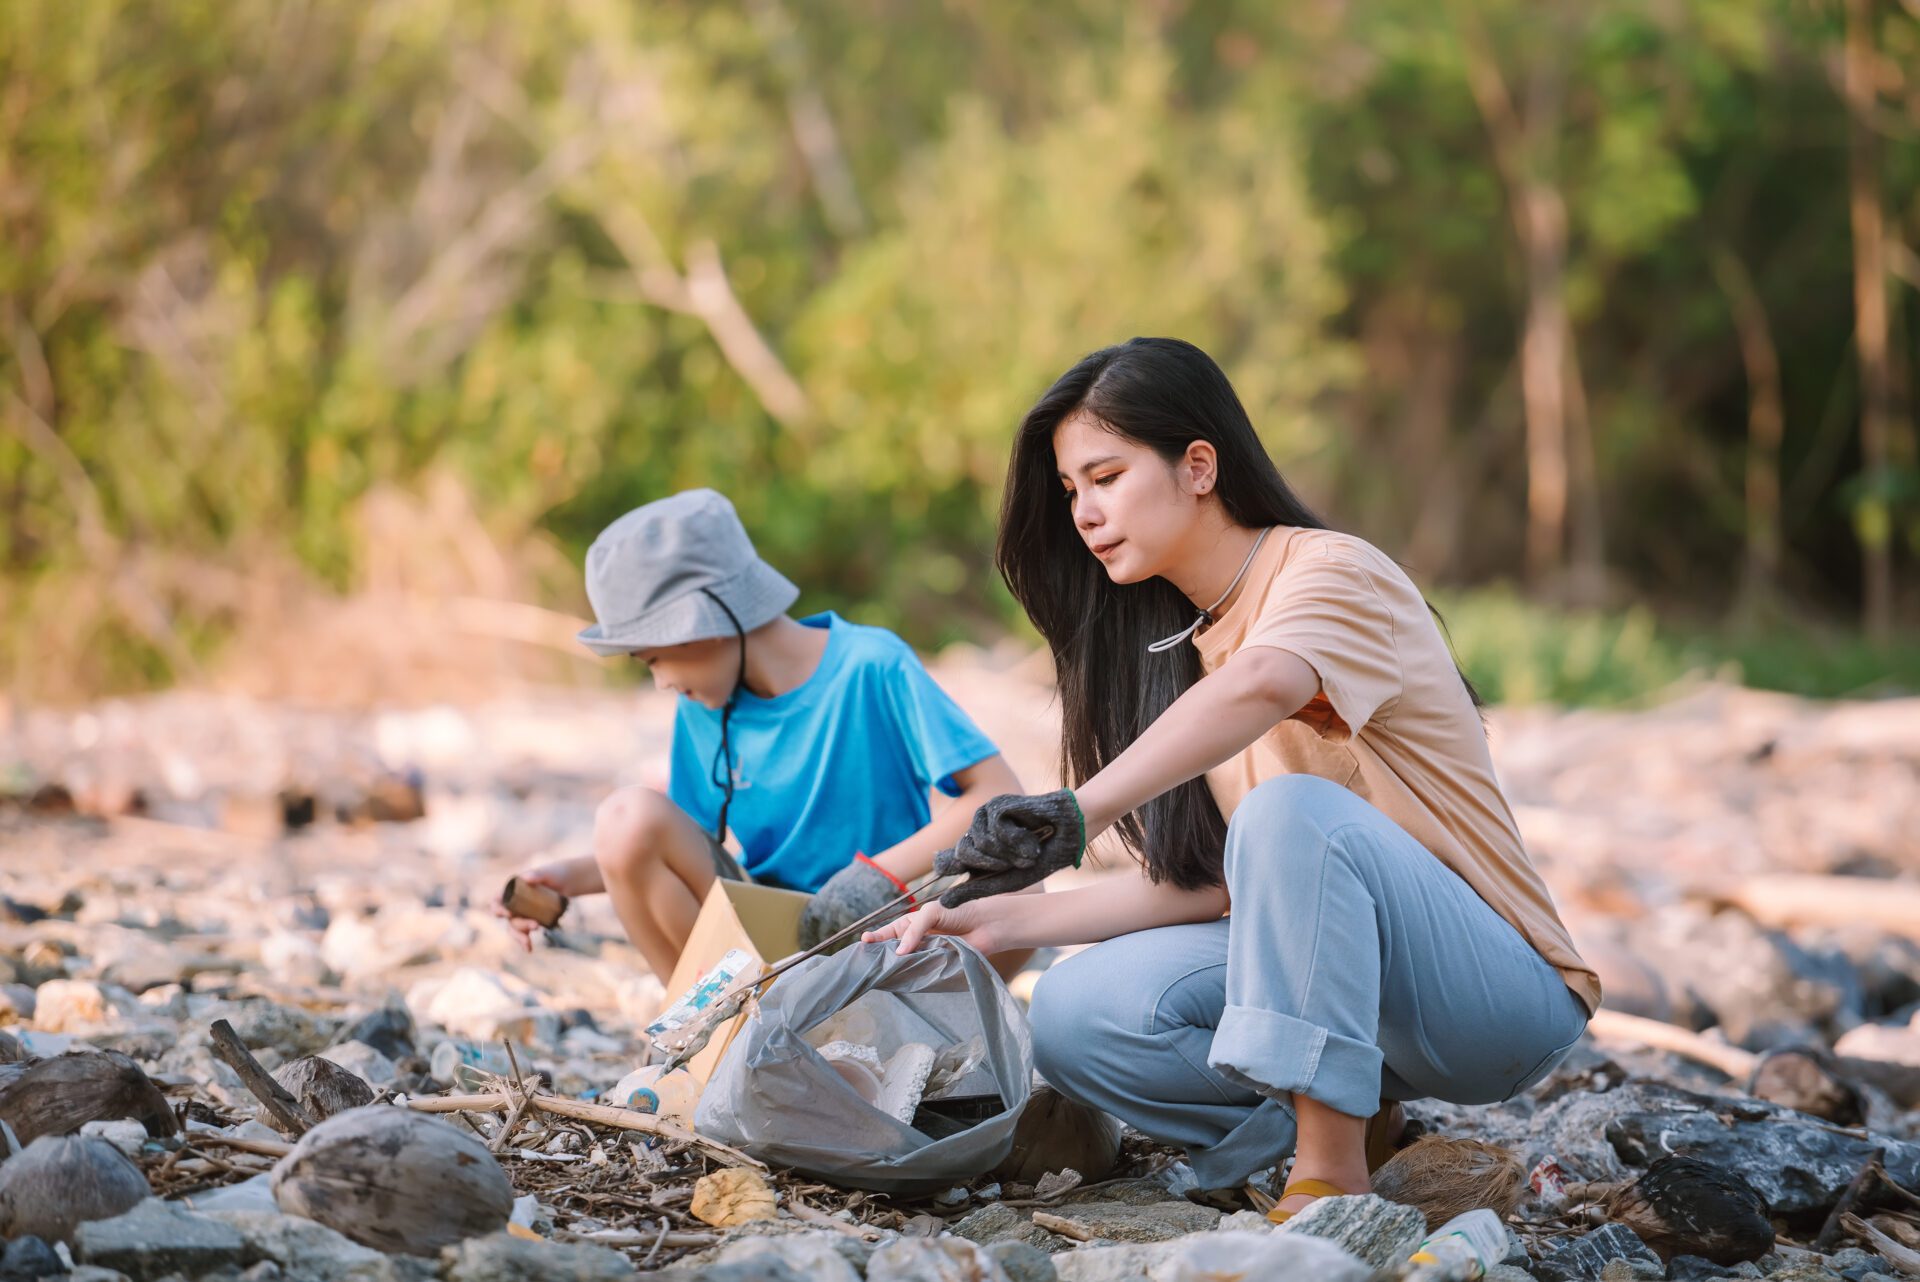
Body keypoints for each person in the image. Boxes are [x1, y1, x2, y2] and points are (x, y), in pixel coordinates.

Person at [866, 338, 1600, 1222]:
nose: (1085, 513)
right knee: (1074, 1012)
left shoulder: (1330, 573)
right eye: (1070, 492)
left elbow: (1267, 686)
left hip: (1490, 997)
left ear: (1199, 466)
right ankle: (1344, 1119)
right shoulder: (1183, 644)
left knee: (1293, 814)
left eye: (1105, 476)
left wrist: (1075, 814)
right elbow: (1209, 887)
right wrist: (984, 919)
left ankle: (1330, 1180)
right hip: (1356, 1000)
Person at [499, 488, 1020, 981]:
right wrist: (567, 878)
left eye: (655, 657)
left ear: (708, 622)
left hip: (888, 927)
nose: (662, 682)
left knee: (1025, 876)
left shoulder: (870, 665)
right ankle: (705, 1035)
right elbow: (670, 849)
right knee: (623, 819)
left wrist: (875, 875)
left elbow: (1000, 790)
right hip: (766, 946)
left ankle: (928, 1026)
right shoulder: (706, 707)